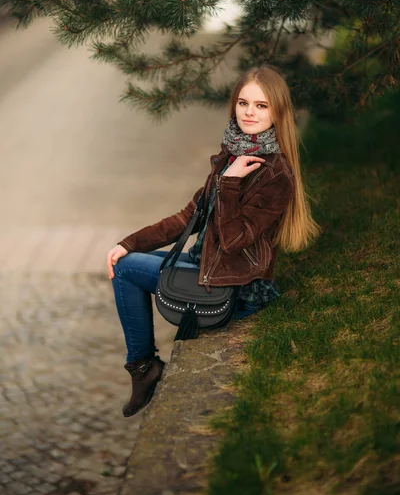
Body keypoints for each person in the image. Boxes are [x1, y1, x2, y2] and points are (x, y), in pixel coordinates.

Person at [106, 64, 321, 418]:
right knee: (124, 260)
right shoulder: (232, 154)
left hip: (237, 287)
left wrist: (231, 183)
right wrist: (129, 242)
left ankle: (143, 368)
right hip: (211, 265)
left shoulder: (275, 175)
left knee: (127, 272)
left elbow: (234, 240)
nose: (250, 111)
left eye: (262, 105)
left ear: (278, 112)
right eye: (243, 103)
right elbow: (186, 218)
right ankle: (144, 366)